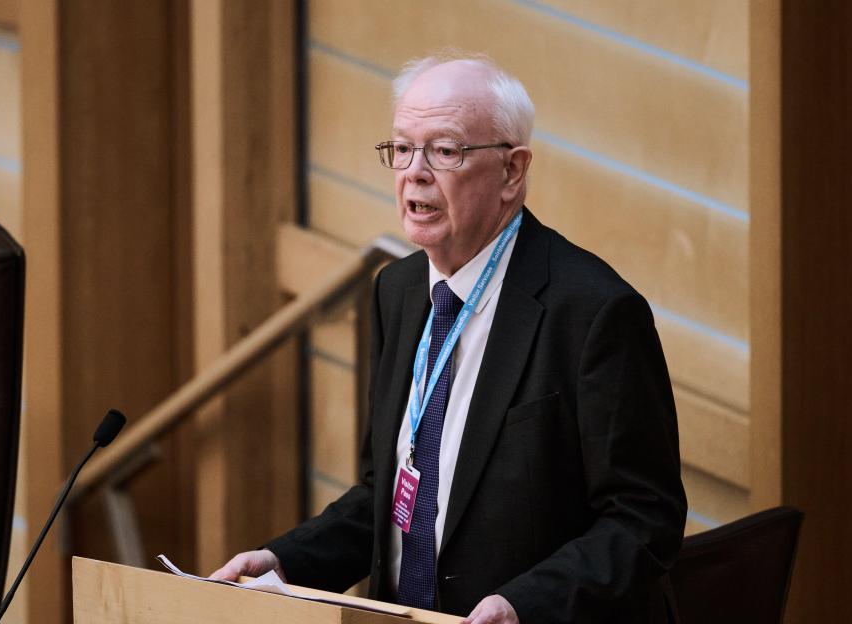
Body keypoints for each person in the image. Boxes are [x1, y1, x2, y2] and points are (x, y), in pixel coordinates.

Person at [212, 53, 687, 624]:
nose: (414, 172)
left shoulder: (594, 313)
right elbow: (385, 492)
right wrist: (284, 563)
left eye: (444, 150)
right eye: (402, 149)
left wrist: (523, 606)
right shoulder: (399, 291)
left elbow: (642, 519)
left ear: (512, 172)